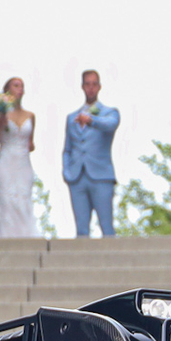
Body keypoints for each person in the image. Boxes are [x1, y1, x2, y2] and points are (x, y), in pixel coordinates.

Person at [61, 69, 120, 237]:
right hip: (77, 176)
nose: (91, 88)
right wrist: (66, 171)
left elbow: (110, 125)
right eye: (88, 84)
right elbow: (67, 149)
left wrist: (91, 120)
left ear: (99, 87)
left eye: (94, 84)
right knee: (81, 230)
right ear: (82, 87)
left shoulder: (110, 112)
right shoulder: (72, 117)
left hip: (101, 176)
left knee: (106, 227)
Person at [0, 78, 38, 238]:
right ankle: (4, 238)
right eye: (16, 86)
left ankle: (25, 238)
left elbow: (31, 144)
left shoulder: (31, 116)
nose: (20, 89)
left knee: (23, 198)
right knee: (7, 200)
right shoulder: (0, 114)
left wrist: (28, 146)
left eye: (22, 86)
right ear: (7, 91)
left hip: (23, 163)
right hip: (6, 161)